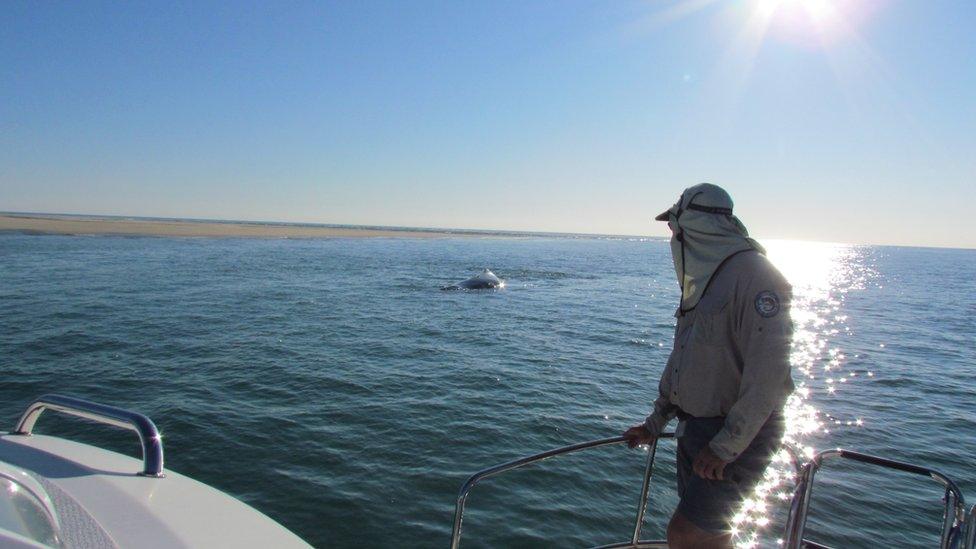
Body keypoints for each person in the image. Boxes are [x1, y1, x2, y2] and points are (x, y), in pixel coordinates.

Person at [622, 183, 794, 549]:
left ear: (695, 226)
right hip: (698, 429)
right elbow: (685, 361)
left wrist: (727, 446)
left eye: (675, 224)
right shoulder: (704, 283)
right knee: (711, 534)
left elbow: (769, 375)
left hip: (735, 434)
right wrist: (656, 422)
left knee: (687, 532)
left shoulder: (756, 277)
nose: (672, 234)